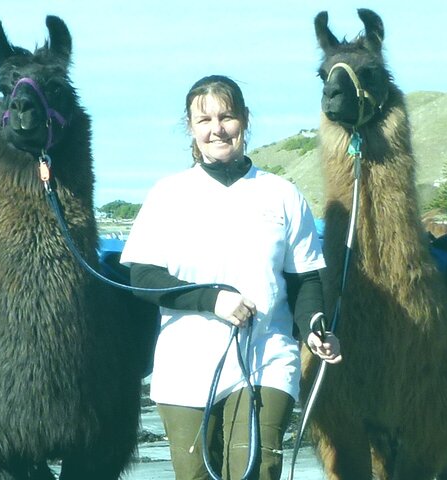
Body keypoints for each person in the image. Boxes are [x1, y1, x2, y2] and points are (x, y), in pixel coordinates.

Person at [120, 74, 342, 480]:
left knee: (256, 469)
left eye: (226, 117)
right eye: (203, 120)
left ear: (244, 120)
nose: (216, 129)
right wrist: (212, 300)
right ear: (190, 127)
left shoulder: (282, 195)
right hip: (184, 366)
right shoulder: (168, 194)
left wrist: (314, 327)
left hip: (266, 358)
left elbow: (305, 281)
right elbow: (143, 277)